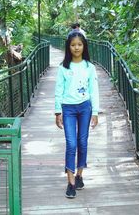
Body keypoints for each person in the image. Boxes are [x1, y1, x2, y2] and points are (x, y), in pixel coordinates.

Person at [55, 31, 99, 198]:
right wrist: (57, 111)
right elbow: (58, 90)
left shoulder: (90, 67)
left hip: (85, 108)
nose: (76, 47)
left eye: (79, 44)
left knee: (82, 141)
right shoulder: (63, 68)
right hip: (68, 109)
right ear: (68, 47)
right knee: (71, 143)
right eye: (73, 45)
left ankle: (80, 174)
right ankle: (70, 181)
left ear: (84, 46)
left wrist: (95, 112)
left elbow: (94, 91)